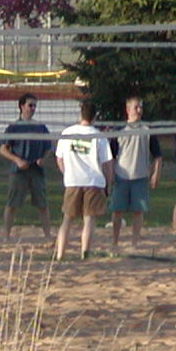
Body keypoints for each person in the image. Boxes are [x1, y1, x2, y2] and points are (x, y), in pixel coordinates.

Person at [54, 99, 113, 261]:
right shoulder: (99, 136)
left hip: (73, 181)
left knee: (67, 219)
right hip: (93, 182)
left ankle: (60, 254)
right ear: (95, 116)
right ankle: (85, 253)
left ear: (81, 114)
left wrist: (67, 173)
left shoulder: (67, 133)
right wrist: (109, 183)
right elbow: (107, 163)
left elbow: (59, 159)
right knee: (89, 219)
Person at [108, 95, 162, 248]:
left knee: (138, 211)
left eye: (141, 107)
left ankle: (135, 242)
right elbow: (110, 156)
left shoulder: (147, 130)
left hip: (141, 176)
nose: (139, 110)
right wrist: (110, 175)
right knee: (117, 210)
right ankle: (115, 241)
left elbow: (158, 156)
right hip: (121, 176)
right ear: (128, 109)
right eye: (136, 107)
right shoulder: (119, 130)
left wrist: (156, 173)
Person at [0, 92, 53, 239]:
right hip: (19, 171)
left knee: (43, 205)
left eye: (35, 106)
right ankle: (6, 236)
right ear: (22, 106)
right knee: (12, 204)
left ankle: (48, 236)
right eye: (30, 105)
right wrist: (17, 160)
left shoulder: (41, 127)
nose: (33, 108)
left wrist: (43, 159)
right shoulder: (14, 127)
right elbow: (3, 149)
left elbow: (49, 147)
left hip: (37, 171)